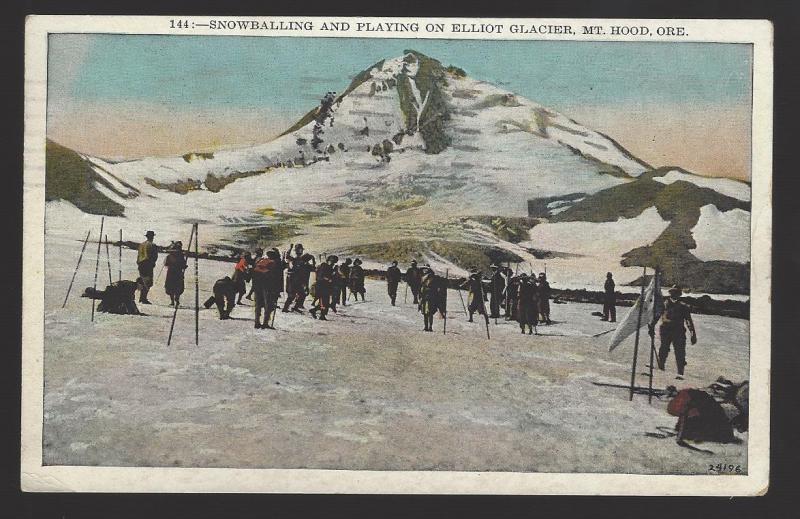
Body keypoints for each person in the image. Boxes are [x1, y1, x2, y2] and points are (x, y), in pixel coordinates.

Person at [649, 286, 697, 378]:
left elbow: (688, 321)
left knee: (680, 352)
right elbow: (657, 316)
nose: (674, 295)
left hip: (678, 332)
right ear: (670, 293)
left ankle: (680, 372)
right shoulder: (663, 305)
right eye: (673, 293)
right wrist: (651, 326)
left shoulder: (684, 307)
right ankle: (661, 369)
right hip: (665, 331)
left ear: (679, 294)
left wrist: (693, 334)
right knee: (663, 350)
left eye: (677, 293)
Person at [251, 249, 282, 329]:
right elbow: (278, 278)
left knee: (258, 304)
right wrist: (278, 290)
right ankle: (265, 323)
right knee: (268, 305)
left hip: (258, 285)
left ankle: (256, 322)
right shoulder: (276, 263)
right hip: (269, 286)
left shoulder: (261, 261)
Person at [419, 265, 446, 331]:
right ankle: (426, 327)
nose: (425, 270)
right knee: (425, 313)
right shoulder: (423, 278)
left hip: (431, 298)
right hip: (424, 298)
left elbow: (437, 287)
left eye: (426, 269)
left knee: (430, 313)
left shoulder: (434, 278)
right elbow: (421, 287)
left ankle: (430, 327)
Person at [310, 255, 337, 320]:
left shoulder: (330, 268)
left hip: (327, 287)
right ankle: (322, 316)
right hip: (321, 286)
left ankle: (314, 311)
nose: (332, 263)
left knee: (325, 302)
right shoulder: (323, 266)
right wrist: (328, 279)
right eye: (331, 261)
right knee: (324, 302)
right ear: (328, 260)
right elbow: (320, 276)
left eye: (334, 262)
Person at [136, 230, 158, 304]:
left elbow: (138, 255)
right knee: (148, 282)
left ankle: (142, 297)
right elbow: (154, 256)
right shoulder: (152, 245)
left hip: (141, 264)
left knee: (143, 281)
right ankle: (143, 298)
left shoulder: (141, 244)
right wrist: (153, 263)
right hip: (148, 264)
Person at [163, 241, 188, 307]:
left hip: (171, 273)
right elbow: (183, 265)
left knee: (171, 287)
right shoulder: (181, 256)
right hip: (178, 273)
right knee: (177, 287)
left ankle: (172, 301)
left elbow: (166, 264)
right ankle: (176, 301)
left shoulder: (170, 256)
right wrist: (184, 266)